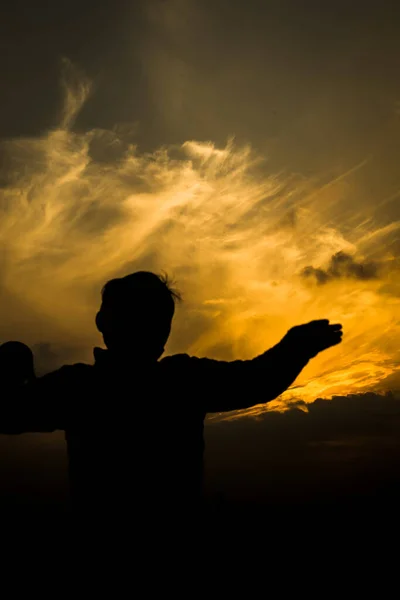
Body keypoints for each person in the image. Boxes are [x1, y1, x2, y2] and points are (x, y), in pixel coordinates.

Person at [0, 271, 343, 534]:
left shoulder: (77, 387)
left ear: (103, 323)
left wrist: (14, 369)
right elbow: (255, 381)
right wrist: (296, 348)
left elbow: (10, 414)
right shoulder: (182, 380)